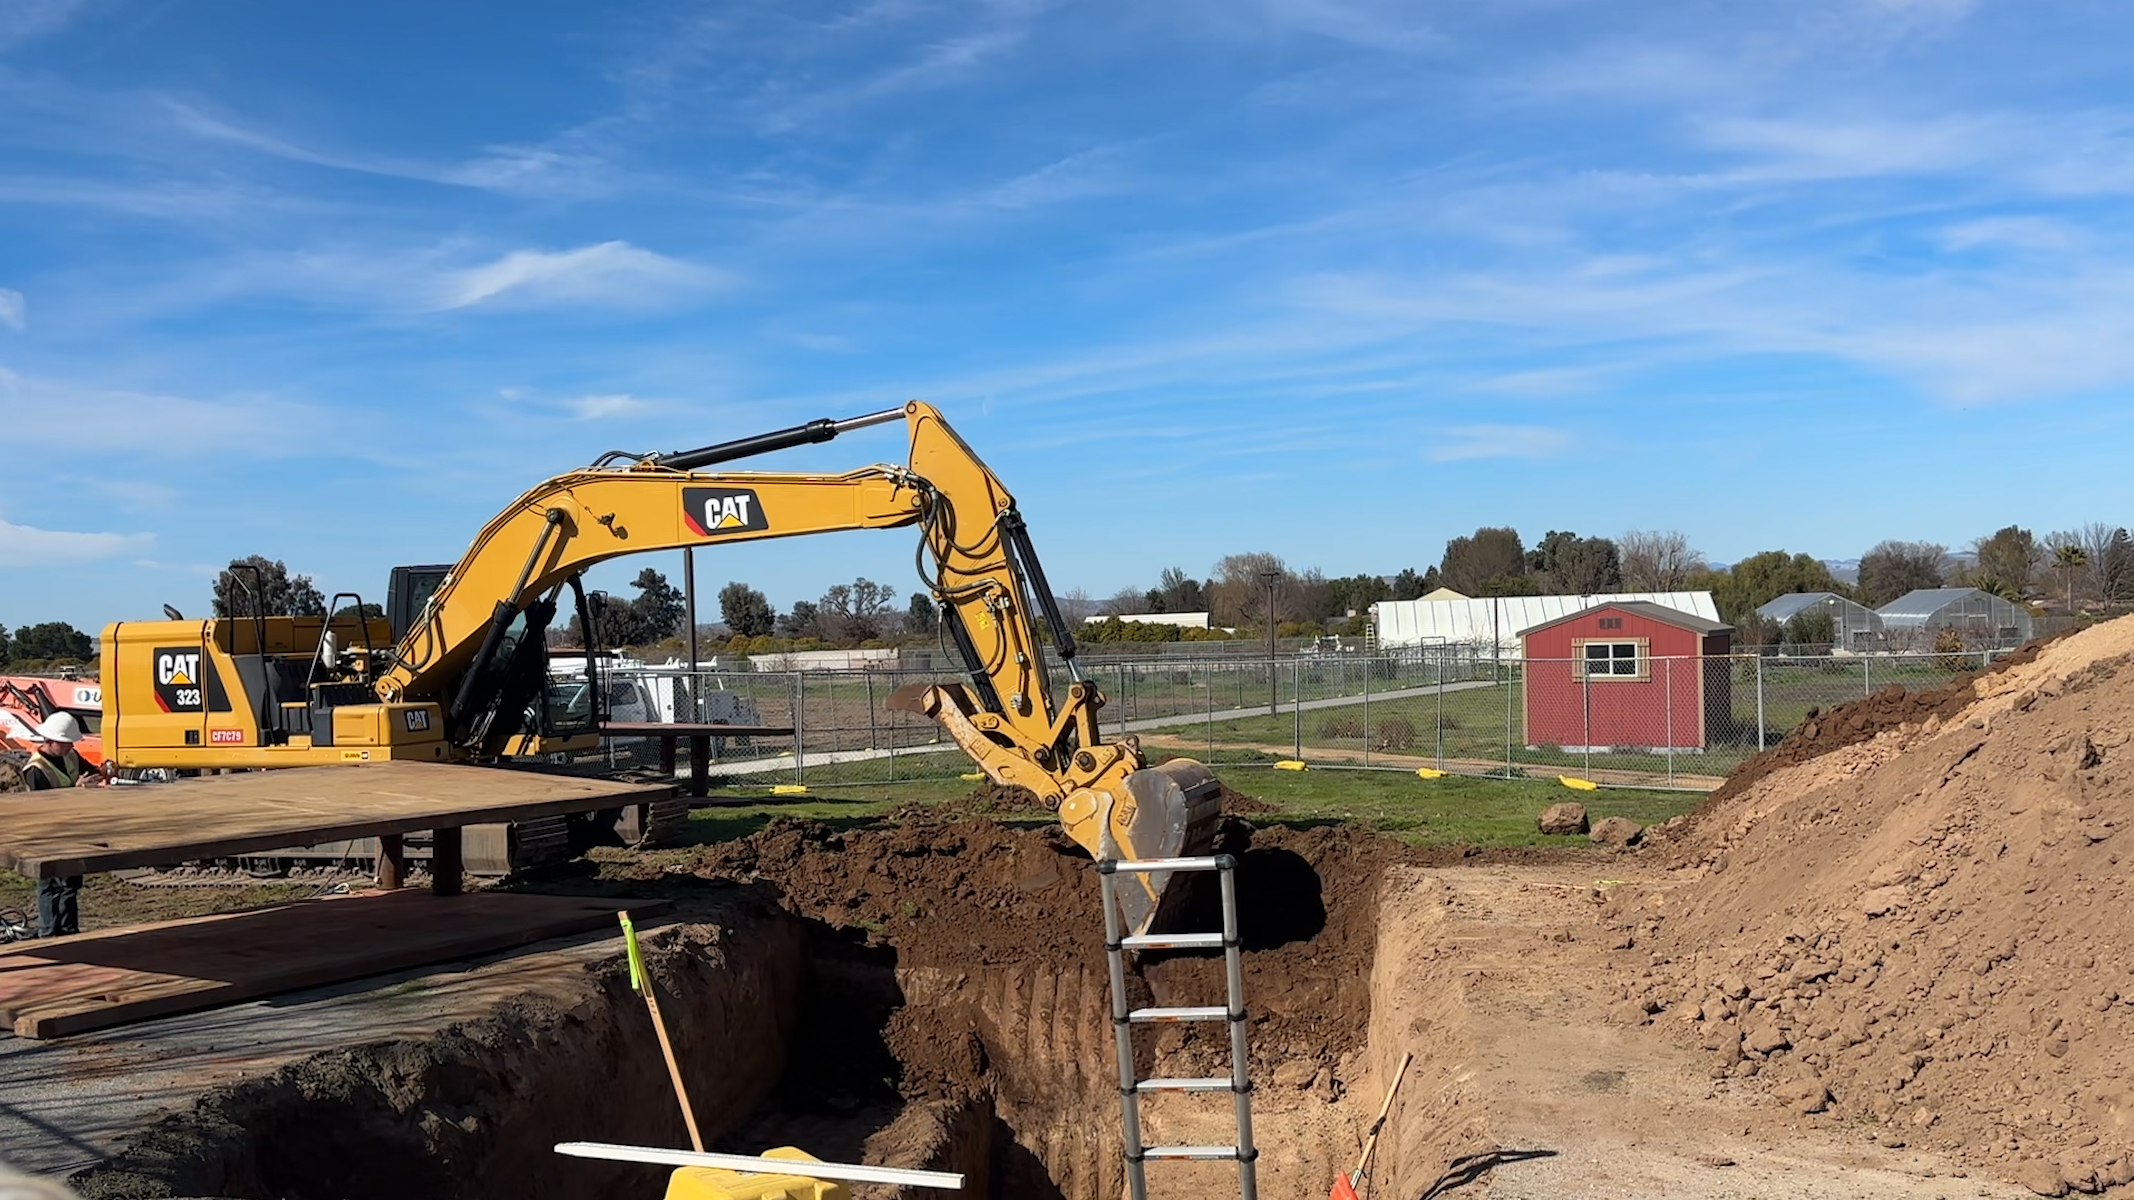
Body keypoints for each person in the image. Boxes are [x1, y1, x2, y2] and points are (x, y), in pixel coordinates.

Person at [23, 712, 103, 937]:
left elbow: (91, 771)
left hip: (72, 831)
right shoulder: (36, 770)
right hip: (47, 834)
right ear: (50, 741)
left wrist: (101, 774)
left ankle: (69, 931)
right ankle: (49, 933)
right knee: (50, 886)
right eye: (65, 743)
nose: (70, 747)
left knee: (70, 884)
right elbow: (45, 806)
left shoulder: (71, 756)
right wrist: (76, 791)